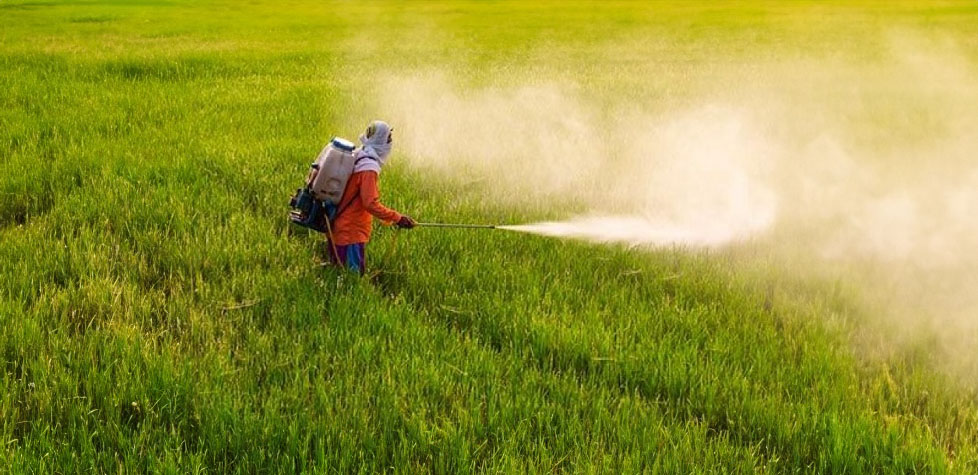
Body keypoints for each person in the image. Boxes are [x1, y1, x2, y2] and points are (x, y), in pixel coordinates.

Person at [326, 120, 416, 274]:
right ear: (380, 140)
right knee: (351, 280)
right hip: (350, 233)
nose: (390, 143)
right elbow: (370, 203)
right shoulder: (368, 168)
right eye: (388, 139)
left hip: (337, 227)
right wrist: (398, 218)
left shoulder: (358, 155)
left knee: (337, 277)